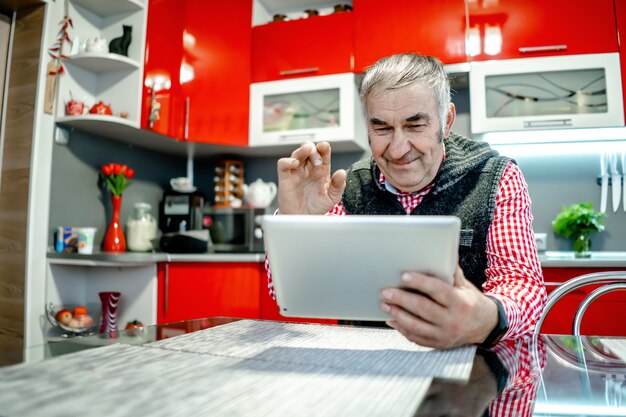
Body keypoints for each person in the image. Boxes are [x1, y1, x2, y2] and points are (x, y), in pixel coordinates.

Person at [268, 53, 547, 349]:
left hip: (470, 367)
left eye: (415, 126)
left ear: (446, 121)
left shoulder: (495, 177)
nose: (398, 150)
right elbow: (294, 294)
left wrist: (486, 318)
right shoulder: (348, 187)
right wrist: (295, 226)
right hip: (367, 368)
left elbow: (523, 286)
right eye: (382, 128)